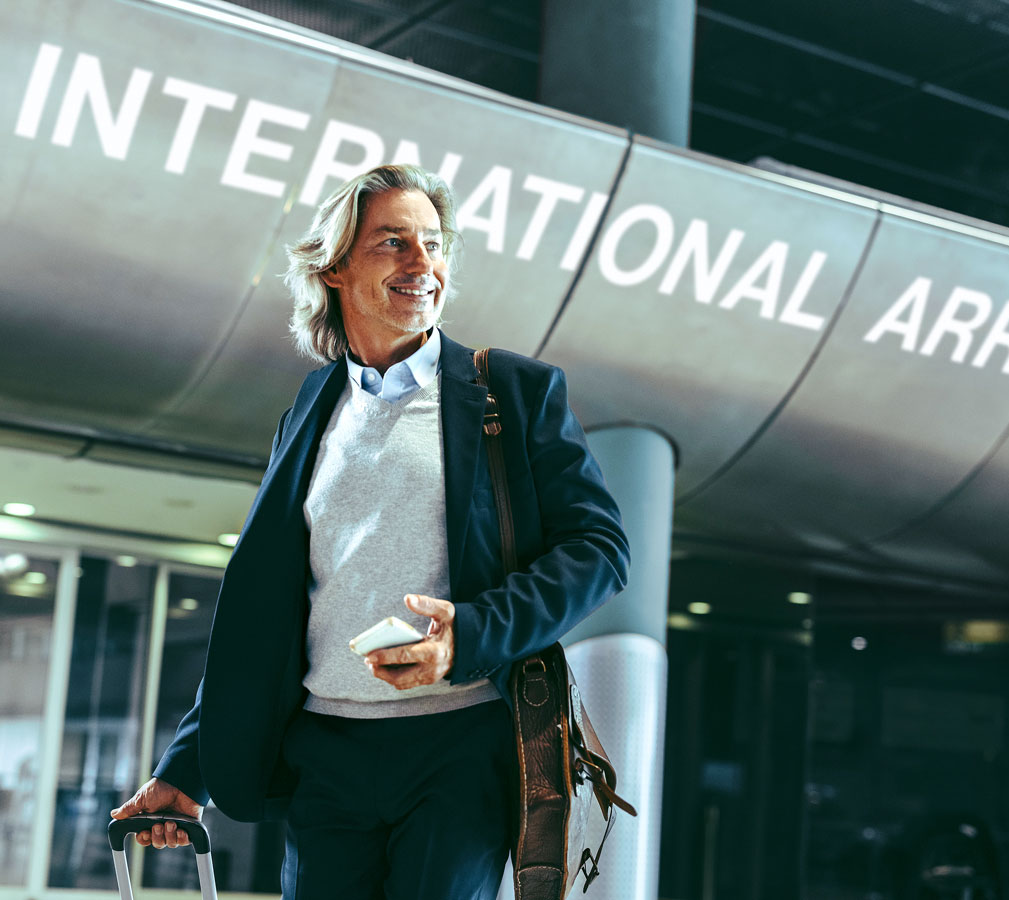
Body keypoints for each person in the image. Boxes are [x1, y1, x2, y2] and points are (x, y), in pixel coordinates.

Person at [110, 164, 629, 899]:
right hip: (326, 754)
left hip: (460, 749)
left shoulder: (510, 392)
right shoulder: (312, 407)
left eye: (435, 243)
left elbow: (600, 551)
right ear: (333, 268)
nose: (424, 264)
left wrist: (468, 635)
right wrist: (186, 766)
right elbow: (271, 617)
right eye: (394, 243)